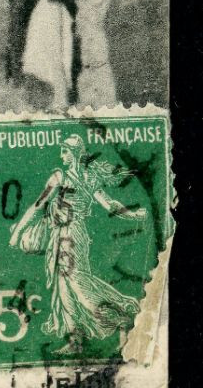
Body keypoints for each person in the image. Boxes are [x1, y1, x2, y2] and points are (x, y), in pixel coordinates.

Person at [8, 132, 146, 352]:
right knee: (65, 286)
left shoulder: (66, 178)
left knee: (75, 281)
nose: (61, 155)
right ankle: (75, 340)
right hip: (65, 234)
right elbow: (108, 204)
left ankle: (119, 312)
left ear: (73, 154)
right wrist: (132, 214)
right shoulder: (81, 179)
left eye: (64, 151)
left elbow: (38, 206)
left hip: (71, 235)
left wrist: (133, 214)